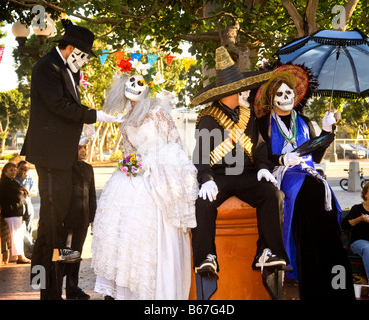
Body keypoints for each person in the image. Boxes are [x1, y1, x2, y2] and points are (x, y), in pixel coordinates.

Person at [20, 19, 120, 300]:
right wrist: (95, 116)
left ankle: (64, 285)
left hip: (64, 158)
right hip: (50, 157)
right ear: (73, 49)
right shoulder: (47, 67)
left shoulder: (68, 71)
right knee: (50, 228)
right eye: (85, 55)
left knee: (65, 228)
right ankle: (45, 292)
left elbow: (71, 108)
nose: (86, 61)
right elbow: (59, 106)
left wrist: (88, 121)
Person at [91, 69, 198, 299]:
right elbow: (129, 152)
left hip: (159, 177)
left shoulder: (158, 112)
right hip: (137, 176)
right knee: (124, 226)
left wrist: (151, 163)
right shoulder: (125, 119)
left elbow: (175, 146)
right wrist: (129, 164)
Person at [254, 64, 354, 299]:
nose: (285, 97)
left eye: (289, 92)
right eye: (279, 93)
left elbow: (315, 155)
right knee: (309, 201)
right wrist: (281, 158)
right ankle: (310, 276)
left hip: (310, 177)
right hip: (282, 177)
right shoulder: (262, 124)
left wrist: (326, 133)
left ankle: (334, 279)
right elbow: (259, 155)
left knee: (323, 206)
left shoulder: (306, 121)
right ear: (271, 97)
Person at [190, 46, 289, 281]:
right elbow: (201, 155)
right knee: (203, 202)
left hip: (247, 174)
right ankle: (206, 257)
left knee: (272, 195)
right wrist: (206, 179)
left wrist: (264, 167)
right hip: (220, 177)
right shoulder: (208, 119)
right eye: (239, 90)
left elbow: (259, 147)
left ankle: (267, 251)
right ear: (229, 92)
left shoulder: (247, 116)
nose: (243, 93)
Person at [62, 136, 96, 300]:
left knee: (77, 254)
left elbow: (92, 195)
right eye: (79, 148)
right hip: (67, 219)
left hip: (82, 219)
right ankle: (57, 288)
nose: (83, 151)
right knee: (65, 254)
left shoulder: (89, 169)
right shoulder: (65, 168)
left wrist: (92, 218)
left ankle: (72, 288)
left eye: (84, 148)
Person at [0, 162, 30, 264]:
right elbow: (18, 196)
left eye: (15, 170)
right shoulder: (5, 183)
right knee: (16, 235)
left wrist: (23, 192)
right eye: (11, 170)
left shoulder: (12, 182)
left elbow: (24, 193)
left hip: (17, 212)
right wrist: (22, 192)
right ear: (5, 171)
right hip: (11, 212)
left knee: (19, 234)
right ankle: (20, 257)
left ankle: (21, 255)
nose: (13, 172)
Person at [15, 161, 37, 258]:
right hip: (17, 207)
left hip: (28, 205)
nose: (23, 172)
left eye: (26, 170)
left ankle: (29, 251)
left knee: (29, 228)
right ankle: (28, 250)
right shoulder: (12, 177)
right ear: (17, 168)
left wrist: (26, 191)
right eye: (21, 169)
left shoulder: (29, 178)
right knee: (21, 229)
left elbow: (34, 192)